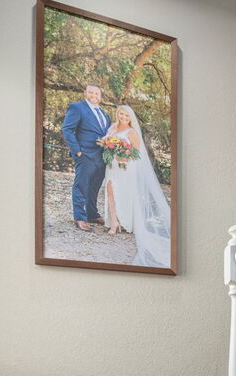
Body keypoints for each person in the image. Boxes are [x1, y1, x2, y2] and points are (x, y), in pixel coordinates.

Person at [99, 105, 172, 268]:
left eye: (126, 115)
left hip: (126, 167)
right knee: (110, 190)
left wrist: (124, 157)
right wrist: (107, 145)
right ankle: (114, 223)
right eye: (121, 114)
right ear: (117, 114)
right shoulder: (112, 128)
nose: (123, 117)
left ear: (130, 117)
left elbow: (136, 154)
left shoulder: (132, 132)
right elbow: (106, 143)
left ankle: (126, 221)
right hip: (112, 166)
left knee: (124, 193)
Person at [61, 84, 110, 231]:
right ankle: (80, 217)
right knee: (81, 185)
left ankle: (92, 213)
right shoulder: (77, 107)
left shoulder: (104, 114)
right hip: (85, 154)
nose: (94, 95)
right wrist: (77, 151)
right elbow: (67, 129)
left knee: (95, 186)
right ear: (85, 93)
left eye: (97, 93)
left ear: (100, 96)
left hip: (101, 156)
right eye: (91, 92)